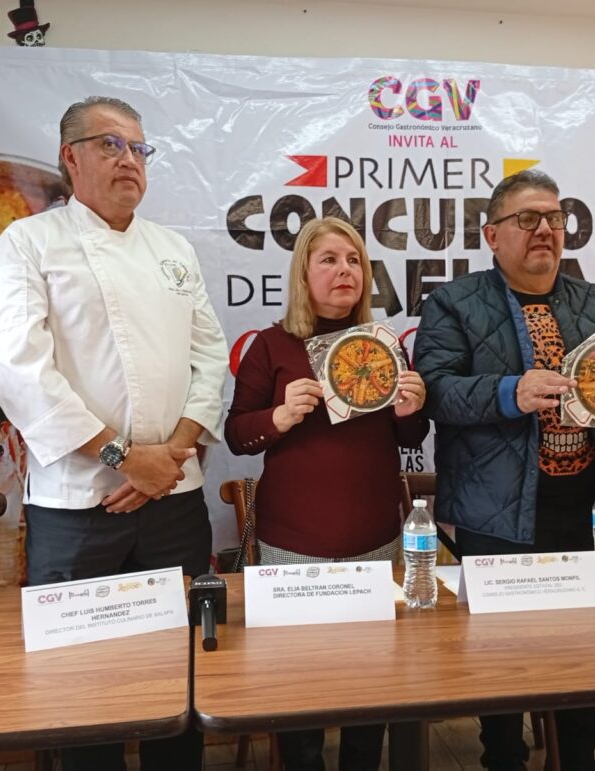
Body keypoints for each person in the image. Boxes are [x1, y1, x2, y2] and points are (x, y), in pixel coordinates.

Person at [414, 169, 595, 771]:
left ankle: (577, 756)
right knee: (499, 650)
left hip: (591, 507)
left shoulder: (594, 300)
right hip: (497, 512)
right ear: (492, 235)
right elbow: (434, 392)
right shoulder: (452, 303)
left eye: (554, 217)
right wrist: (510, 391)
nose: (545, 229)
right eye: (527, 218)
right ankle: (502, 754)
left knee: (591, 645)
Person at [0, 96, 228, 771]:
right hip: (77, 509)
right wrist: (123, 457)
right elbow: (20, 370)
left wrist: (167, 457)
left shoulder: (172, 248)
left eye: (139, 149)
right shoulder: (28, 243)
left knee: (179, 675)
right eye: (111, 145)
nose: (129, 160)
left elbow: (210, 358)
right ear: (71, 157)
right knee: (83, 687)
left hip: (174, 499)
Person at [224, 216, 429, 770]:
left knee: (372, 683)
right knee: (300, 686)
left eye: (355, 260)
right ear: (303, 274)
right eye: (330, 260)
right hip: (293, 544)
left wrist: (412, 409)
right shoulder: (271, 346)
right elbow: (237, 434)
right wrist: (278, 416)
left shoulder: (383, 345)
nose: (345, 271)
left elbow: (410, 438)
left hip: (375, 540)